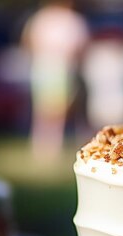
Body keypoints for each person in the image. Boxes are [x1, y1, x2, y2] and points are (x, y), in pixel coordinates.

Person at [22, 0, 88, 160]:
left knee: (45, 112)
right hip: (61, 69)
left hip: (43, 67)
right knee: (56, 112)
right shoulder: (71, 20)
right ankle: (49, 149)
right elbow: (82, 47)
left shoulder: (40, 18)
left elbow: (27, 41)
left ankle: (44, 148)